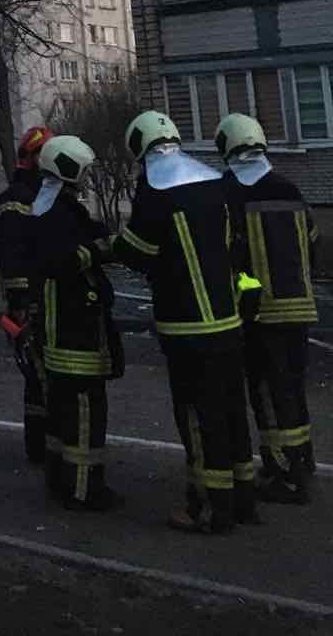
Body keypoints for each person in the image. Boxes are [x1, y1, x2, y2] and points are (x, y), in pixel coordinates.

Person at [114, 111, 257, 534]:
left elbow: (138, 250)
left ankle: (209, 509)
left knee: (197, 415)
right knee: (231, 410)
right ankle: (243, 498)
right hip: (227, 320)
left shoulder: (155, 188)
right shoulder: (214, 181)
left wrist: (114, 246)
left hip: (186, 325)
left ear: (140, 147)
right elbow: (233, 246)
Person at [216, 112, 318, 503]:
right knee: (293, 387)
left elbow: (232, 257)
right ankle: (302, 462)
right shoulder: (289, 189)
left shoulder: (231, 194)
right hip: (299, 306)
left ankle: (285, 474)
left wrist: (243, 296)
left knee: (267, 392)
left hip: (260, 312)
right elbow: (311, 243)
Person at [32, 135, 122, 512]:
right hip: (74, 326)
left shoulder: (51, 206)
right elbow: (67, 260)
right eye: (81, 171)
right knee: (85, 407)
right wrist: (106, 248)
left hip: (58, 324)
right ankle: (84, 488)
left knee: (62, 408)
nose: (84, 178)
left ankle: (60, 477)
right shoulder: (58, 213)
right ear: (66, 168)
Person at [0, 124, 54, 463]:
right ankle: (39, 444)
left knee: (46, 375)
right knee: (37, 377)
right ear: (31, 158)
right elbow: (11, 254)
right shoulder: (17, 199)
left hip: (49, 297)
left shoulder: (44, 194)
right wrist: (20, 303)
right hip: (30, 303)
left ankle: (49, 440)